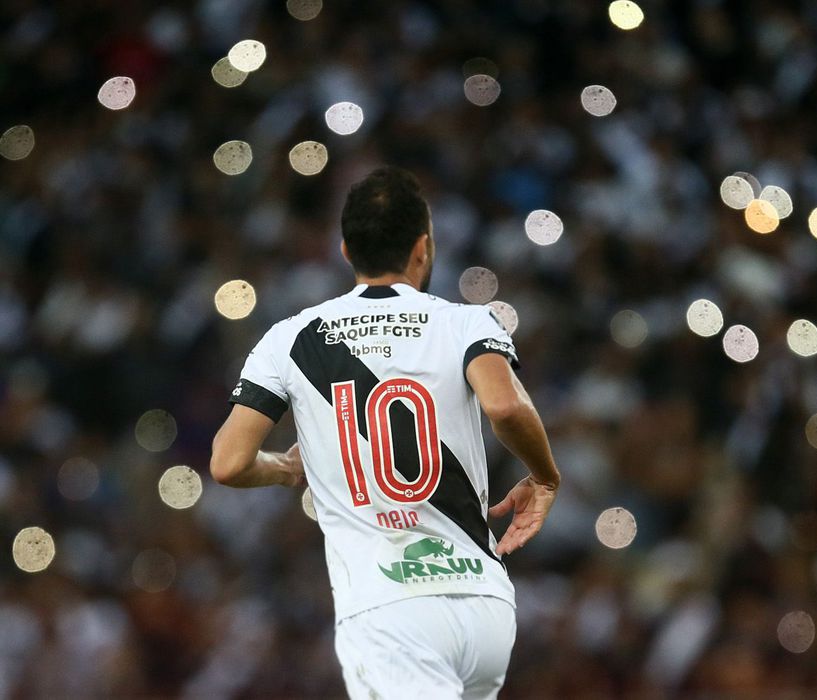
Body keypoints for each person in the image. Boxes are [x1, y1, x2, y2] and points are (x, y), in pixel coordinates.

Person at [209, 165, 560, 699]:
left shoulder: (292, 338)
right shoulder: (466, 322)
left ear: (346, 251)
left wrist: (283, 471)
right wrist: (544, 477)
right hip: (485, 603)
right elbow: (506, 406)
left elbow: (228, 463)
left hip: (388, 607)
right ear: (423, 247)